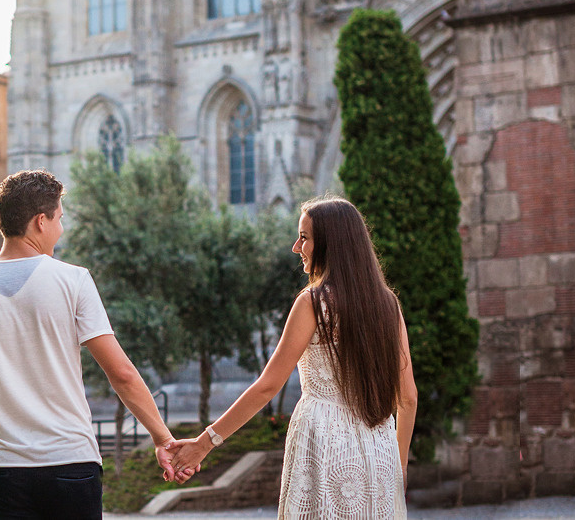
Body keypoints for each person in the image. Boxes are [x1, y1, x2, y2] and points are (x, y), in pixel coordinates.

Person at [0, 169, 191, 520]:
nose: (61, 229)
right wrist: (163, 438)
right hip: (70, 465)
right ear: (40, 221)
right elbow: (121, 373)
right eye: (60, 218)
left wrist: (13, 428)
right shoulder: (72, 280)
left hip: (1, 470)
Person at [170, 196, 418, 519]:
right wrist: (398, 465)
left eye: (304, 237)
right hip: (380, 454)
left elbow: (267, 386)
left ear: (330, 244)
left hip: (324, 449)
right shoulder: (389, 306)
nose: (295, 247)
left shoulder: (314, 303)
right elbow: (408, 398)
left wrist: (204, 444)